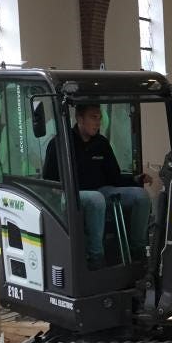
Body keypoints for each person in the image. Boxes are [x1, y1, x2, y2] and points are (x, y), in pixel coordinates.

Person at [43, 104, 153, 269]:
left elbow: (114, 177)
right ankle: (96, 258)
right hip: (69, 195)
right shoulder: (59, 143)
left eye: (99, 118)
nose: (98, 122)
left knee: (141, 196)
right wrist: (59, 192)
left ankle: (138, 251)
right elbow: (49, 180)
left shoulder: (101, 143)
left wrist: (136, 180)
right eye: (93, 117)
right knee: (96, 199)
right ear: (79, 118)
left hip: (101, 192)